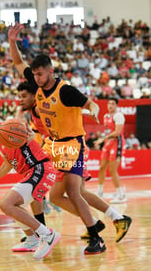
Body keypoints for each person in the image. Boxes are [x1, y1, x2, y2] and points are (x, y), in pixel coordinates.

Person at [9, 23, 105, 254]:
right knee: (46, 190)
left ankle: (95, 236)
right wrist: (12, 41)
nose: (37, 78)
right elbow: (19, 63)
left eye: (40, 74)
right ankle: (44, 233)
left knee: (73, 192)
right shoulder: (36, 82)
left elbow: (90, 103)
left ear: (50, 71)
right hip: (53, 145)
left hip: (72, 145)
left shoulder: (65, 91)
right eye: (35, 75)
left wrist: (94, 109)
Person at [16, 81, 132, 242]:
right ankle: (101, 221)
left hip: (72, 149)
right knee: (57, 196)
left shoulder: (44, 108)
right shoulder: (36, 112)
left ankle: (108, 221)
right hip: (59, 150)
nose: (20, 100)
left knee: (75, 192)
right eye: (19, 97)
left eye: (23, 96)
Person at [0, 104, 60, 260]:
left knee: (7, 204)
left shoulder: (8, 128)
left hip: (41, 169)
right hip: (32, 172)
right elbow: (8, 163)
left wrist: (30, 133)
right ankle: (32, 239)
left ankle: (48, 235)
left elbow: (24, 128)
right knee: (11, 205)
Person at [94, 98, 127, 203]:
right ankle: (100, 192)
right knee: (102, 167)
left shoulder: (119, 116)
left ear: (116, 105)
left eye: (113, 104)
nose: (110, 105)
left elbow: (117, 132)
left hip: (117, 143)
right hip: (108, 143)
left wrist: (102, 139)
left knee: (112, 170)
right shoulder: (106, 116)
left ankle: (121, 195)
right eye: (109, 103)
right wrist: (103, 138)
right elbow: (108, 131)